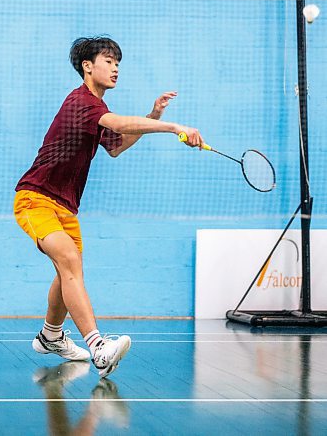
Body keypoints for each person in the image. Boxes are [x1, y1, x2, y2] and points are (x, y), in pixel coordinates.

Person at [13, 36, 205, 378]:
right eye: (109, 61)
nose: (115, 68)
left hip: (66, 207)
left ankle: (51, 336)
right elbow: (117, 124)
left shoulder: (95, 110)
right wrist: (173, 126)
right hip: (35, 198)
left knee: (66, 270)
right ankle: (98, 347)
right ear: (88, 66)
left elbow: (116, 145)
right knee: (69, 261)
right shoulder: (81, 102)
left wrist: (152, 115)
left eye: (118, 63)